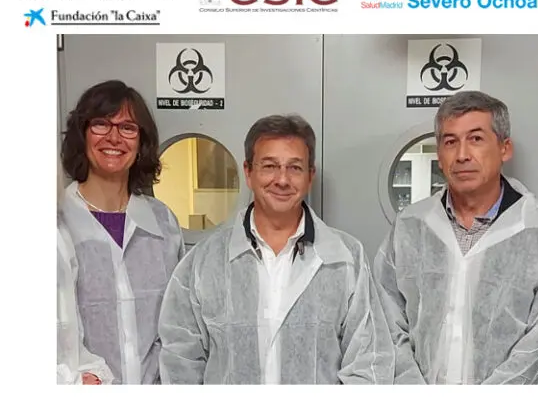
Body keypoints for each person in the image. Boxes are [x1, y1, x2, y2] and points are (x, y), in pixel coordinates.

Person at [158, 114, 394, 384]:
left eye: (295, 168)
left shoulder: (346, 258)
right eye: (269, 166)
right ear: (248, 172)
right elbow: (180, 360)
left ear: (310, 176)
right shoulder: (204, 261)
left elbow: (368, 363)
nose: (282, 180)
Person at [373, 90, 538, 384]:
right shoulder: (410, 225)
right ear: (439, 155)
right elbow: (386, 319)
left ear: (505, 148)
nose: (462, 155)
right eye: (450, 142)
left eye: (476, 139)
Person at [59, 80, 186, 384]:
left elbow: (181, 322)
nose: (114, 137)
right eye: (101, 124)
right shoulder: (57, 223)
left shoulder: (163, 222)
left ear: (141, 141)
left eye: (128, 128)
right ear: (82, 134)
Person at [58, 162, 114, 385]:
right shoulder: (66, 219)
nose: (114, 142)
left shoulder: (59, 235)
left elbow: (67, 330)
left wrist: (91, 372)